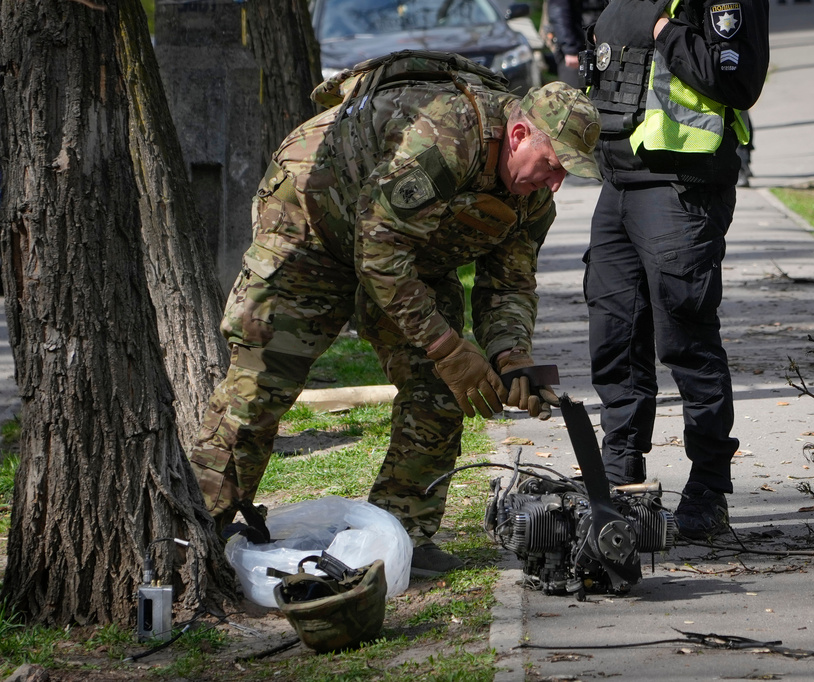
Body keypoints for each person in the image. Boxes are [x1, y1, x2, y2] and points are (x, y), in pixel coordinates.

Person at [188, 52, 602, 577]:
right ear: (519, 135)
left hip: (408, 247)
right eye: (553, 164)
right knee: (263, 376)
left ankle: (400, 534)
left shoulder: (532, 199)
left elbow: (509, 284)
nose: (556, 182)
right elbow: (378, 252)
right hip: (313, 216)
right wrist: (449, 347)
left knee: (441, 388)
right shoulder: (446, 138)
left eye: (568, 172)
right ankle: (200, 530)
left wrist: (511, 355)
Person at [582, 0, 769, 538]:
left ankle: (709, 489)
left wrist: (663, 30)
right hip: (617, 182)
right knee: (613, 336)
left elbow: (734, 81)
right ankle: (620, 481)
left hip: (681, 186)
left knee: (685, 343)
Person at [544, 0, 608, 87]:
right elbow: (558, 11)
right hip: (577, 50)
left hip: (602, 48)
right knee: (574, 96)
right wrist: (570, 49)